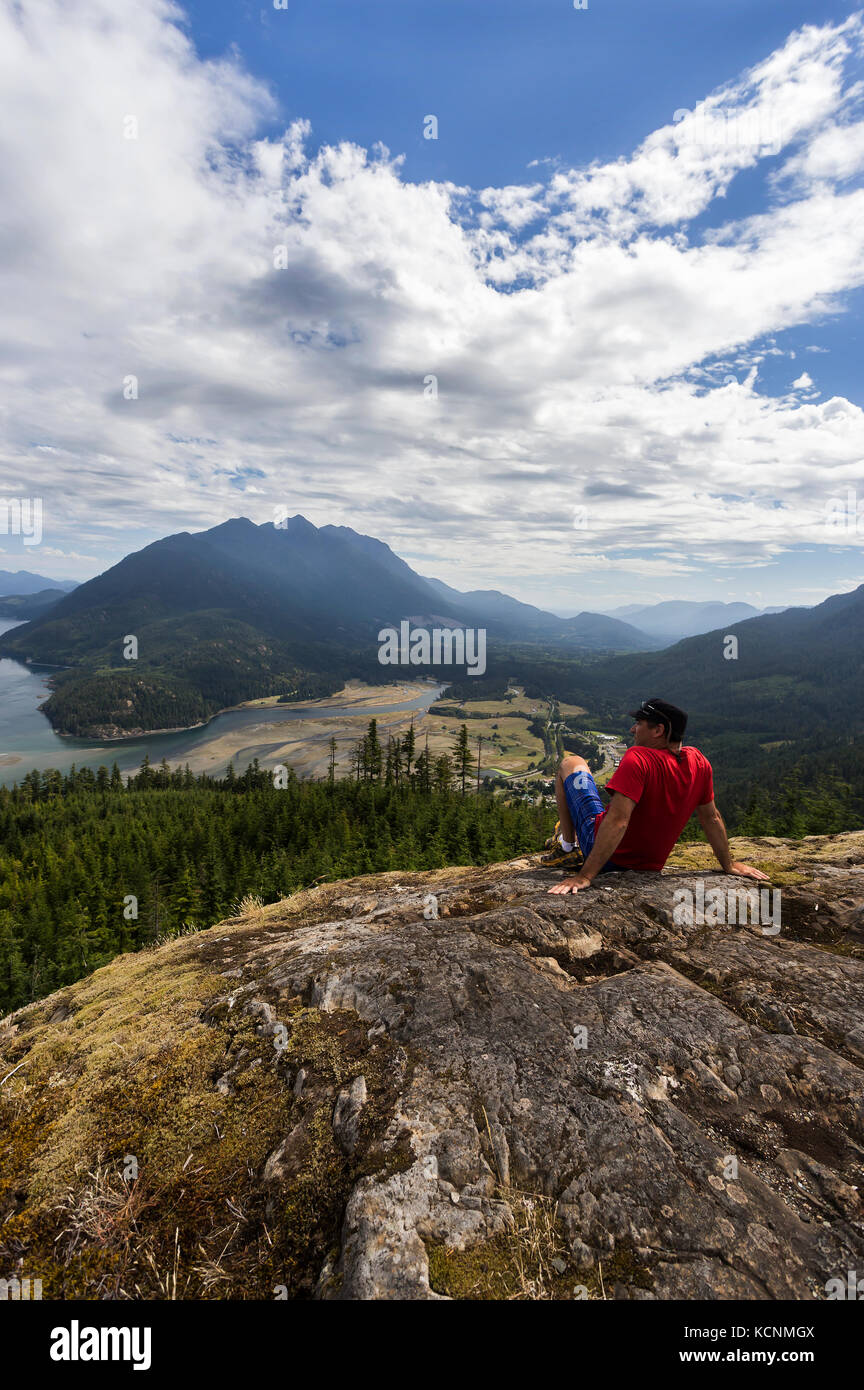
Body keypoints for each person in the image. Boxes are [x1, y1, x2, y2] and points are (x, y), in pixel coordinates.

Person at [543, 697, 769, 896]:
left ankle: (567, 846)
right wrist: (728, 865)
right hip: (650, 866)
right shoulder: (699, 763)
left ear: (658, 731)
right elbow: (712, 818)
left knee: (570, 763)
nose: (633, 730)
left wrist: (585, 877)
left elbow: (618, 821)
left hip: (605, 857)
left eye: (639, 724)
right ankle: (565, 839)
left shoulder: (638, 758)